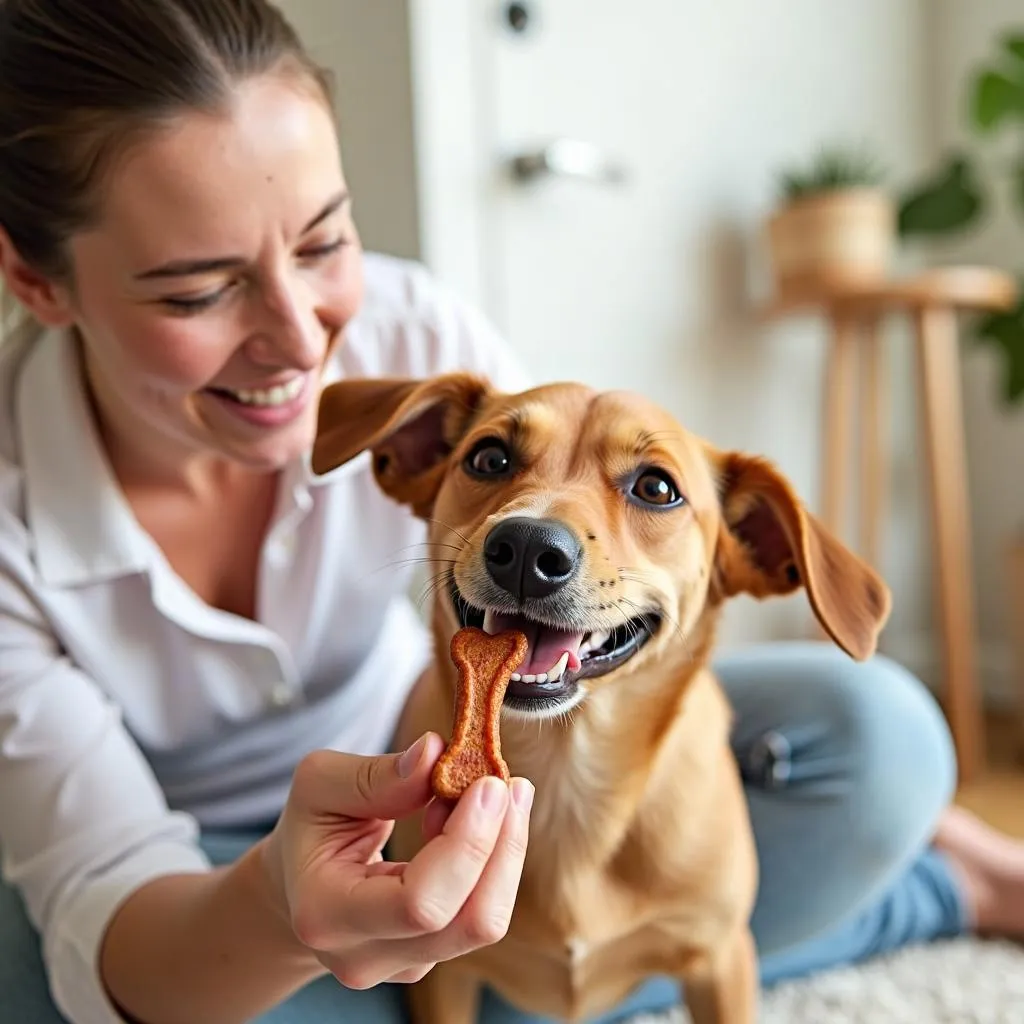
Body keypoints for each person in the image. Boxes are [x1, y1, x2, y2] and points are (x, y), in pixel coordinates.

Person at [0, 3, 1022, 1024]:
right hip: (196, 862)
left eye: (324, 242)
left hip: (456, 764)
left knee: (882, 733)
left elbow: (568, 495)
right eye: (197, 292)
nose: (301, 340)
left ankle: (878, 885)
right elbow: (110, 897)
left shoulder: (414, 334)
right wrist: (281, 910)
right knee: (47, 979)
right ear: (36, 280)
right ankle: (892, 907)